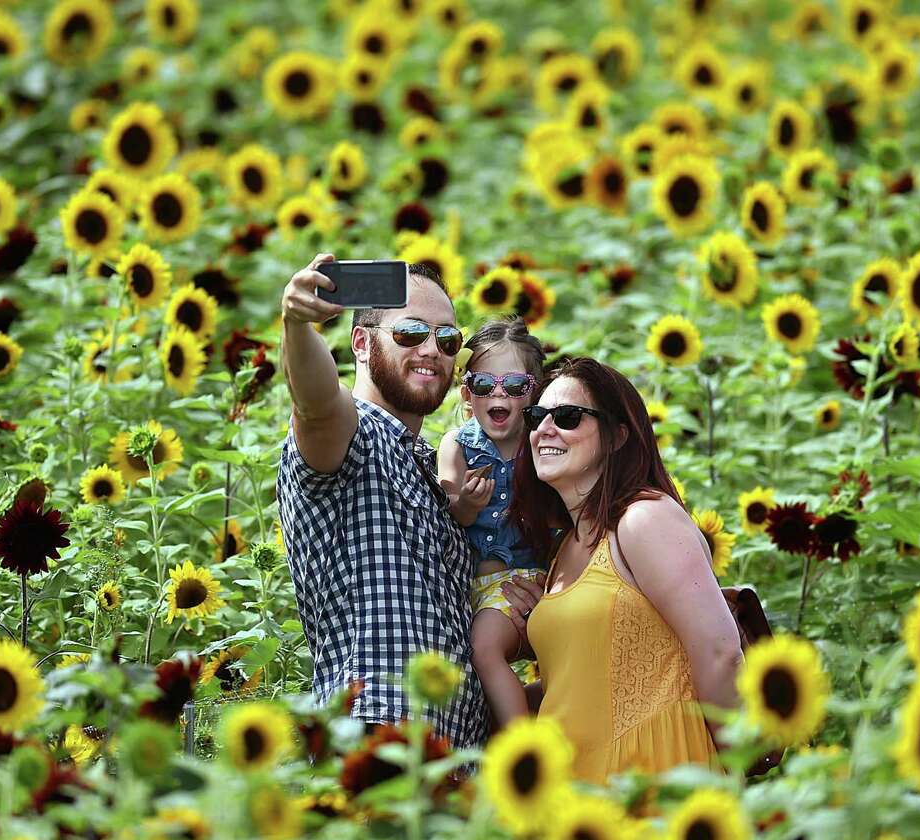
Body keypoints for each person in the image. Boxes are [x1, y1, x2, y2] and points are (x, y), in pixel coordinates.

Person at [275, 254, 545, 750]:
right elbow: (314, 404)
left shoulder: (440, 466)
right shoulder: (354, 434)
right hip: (380, 739)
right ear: (361, 342)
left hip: (459, 756)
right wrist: (296, 325)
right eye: (410, 333)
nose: (431, 350)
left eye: (447, 340)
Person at [503, 356, 745, 784]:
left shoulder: (644, 518)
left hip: (656, 778)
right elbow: (586, 682)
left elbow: (720, 652)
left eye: (568, 416)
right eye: (537, 416)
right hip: (583, 798)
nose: (544, 429)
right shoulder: (565, 550)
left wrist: (739, 767)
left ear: (617, 436)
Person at [436, 317, 549, 728]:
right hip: (477, 588)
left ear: (533, 392)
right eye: (485, 385)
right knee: (482, 658)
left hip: (534, 578)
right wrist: (466, 503)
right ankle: (515, 735)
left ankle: (531, 733)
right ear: (468, 394)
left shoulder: (542, 441)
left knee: (500, 651)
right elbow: (450, 508)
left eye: (515, 386)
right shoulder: (458, 444)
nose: (498, 394)